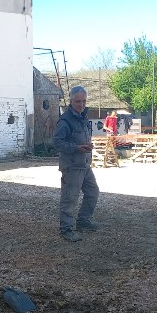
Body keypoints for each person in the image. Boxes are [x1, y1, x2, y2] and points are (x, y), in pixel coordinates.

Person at [52, 85, 99, 242]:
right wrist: (77, 148)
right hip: (72, 166)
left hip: (84, 164)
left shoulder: (83, 117)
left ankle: (83, 221)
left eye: (84, 101)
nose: (82, 104)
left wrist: (86, 146)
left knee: (93, 192)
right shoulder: (65, 121)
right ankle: (66, 229)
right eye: (78, 101)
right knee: (70, 198)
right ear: (71, 101)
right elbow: (57, 142)